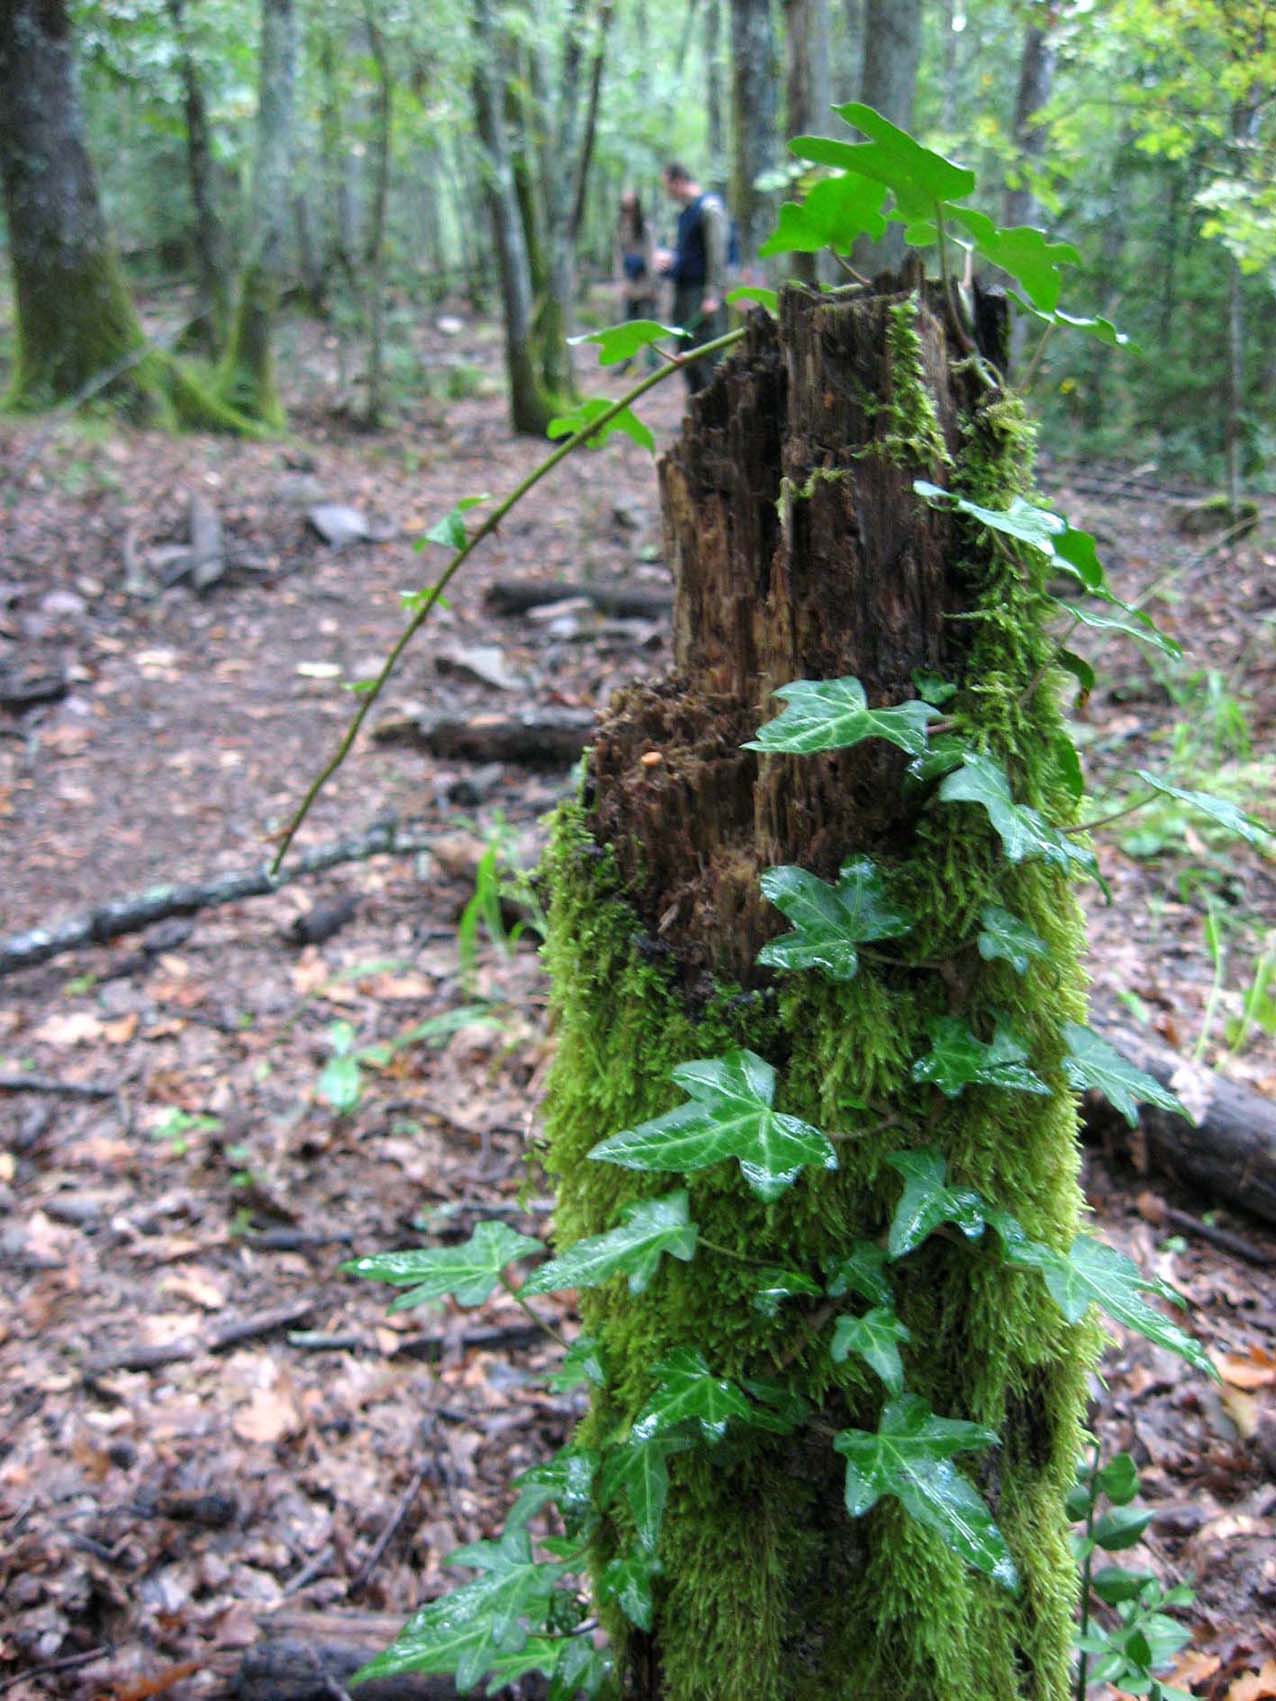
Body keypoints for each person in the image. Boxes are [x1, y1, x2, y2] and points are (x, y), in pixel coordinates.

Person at [657, 162, 729, 396]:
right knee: (686, 353)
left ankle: (716, 415)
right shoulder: (685, 213)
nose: (666, 192)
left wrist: (713, 295)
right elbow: (690, 254)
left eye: (667, 186)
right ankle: (698, 415)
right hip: (684, 294)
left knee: (707, 355)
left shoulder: (709, 208)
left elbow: (718, 254)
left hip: (701, 295)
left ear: (678, 181)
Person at [614, 189, 658, 372]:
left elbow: (651, 256)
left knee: (648, 325)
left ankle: (652, 363)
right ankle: (627, 361)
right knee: (627, 325)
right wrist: (620, 282)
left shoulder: (646, 228)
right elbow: (617, 257)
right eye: (625, 208)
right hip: (628, 285)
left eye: (631, 208)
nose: (628, 212)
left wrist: (652, 285)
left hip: (646, 284)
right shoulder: (620, 229)